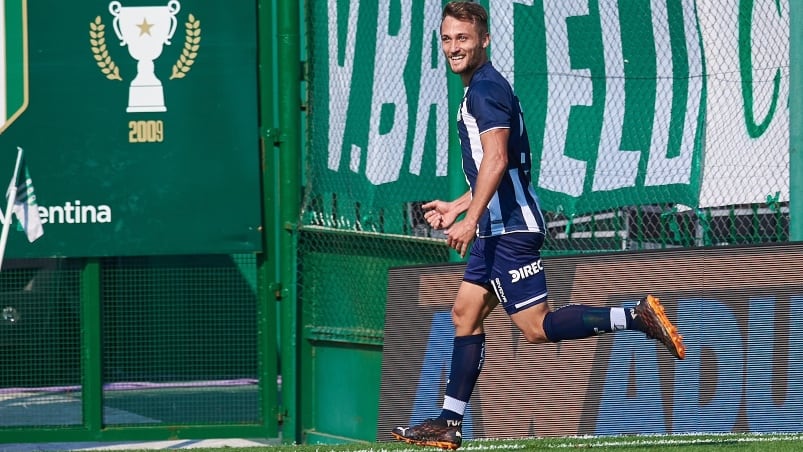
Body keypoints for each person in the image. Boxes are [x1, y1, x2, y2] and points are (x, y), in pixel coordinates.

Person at [390, 2, 686, 450]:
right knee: (464, 313)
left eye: (463, 38)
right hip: (494, 226)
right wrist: (457, 206)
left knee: (535, 327)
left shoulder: (485, 90)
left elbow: (497, 159)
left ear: (484, 40)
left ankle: (636, 316)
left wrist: (469, 220)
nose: (454, 47)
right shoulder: (482, 88)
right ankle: (448, 424)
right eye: (448, 39)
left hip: (508, 228)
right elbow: (494, 170)